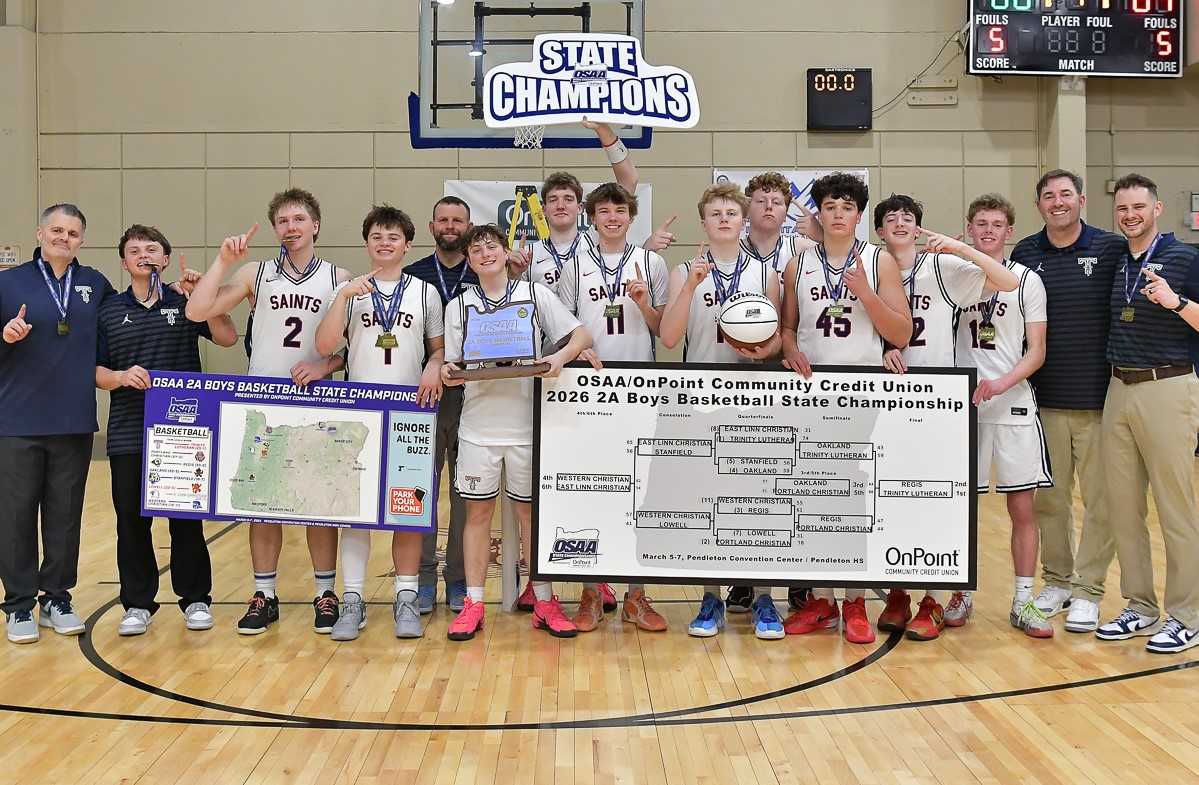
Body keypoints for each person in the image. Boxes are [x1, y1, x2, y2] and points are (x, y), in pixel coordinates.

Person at [185, 188, 351, 635]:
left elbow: (350, 350)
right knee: (263, 507)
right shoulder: (257, 273)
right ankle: (265, 593)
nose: (291, 227)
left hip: (317, 403)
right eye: (283, 221)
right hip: (264, 405)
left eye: (299, 219)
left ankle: (324, 591)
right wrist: (222, 261)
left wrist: (324, 365)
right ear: (275, 229)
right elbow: (196, 308)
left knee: (319, 505)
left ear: (315, 225)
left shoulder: (339, 277)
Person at [876, 194, 1018, 640]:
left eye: (909, 217)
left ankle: (935, 598)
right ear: (878, 229)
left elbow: (1007, 281)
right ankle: (897, 592)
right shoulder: (870, 267)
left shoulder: (939, 267)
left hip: (939, 401)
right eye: (891, 218)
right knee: (890, 501)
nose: (900, 223)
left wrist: (959, 248)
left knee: (939, 504)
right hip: (886, 400)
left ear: (919, 227)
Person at [440, 224, 593, 641]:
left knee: (529, 515)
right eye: (476, 249)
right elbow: (453, 364)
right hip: (479, 425)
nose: (485, 253)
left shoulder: (535, 295)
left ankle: (543, 597)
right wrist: (447, 372)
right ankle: (474, 602)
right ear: (469, 261)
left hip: (527, 424)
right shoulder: (459, 306)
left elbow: (581, 334)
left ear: (507, 253)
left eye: (492, 246)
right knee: (478, 515)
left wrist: (558, 358)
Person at [779, 172, 913, 645]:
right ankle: (820, 599)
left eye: (847, 207)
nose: (838, 214)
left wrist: (864, 293)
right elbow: (789, 327)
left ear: (859, 214)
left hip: (862, 393)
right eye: (830, 206)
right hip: (812, 392)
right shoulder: (799, 263)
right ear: (818, 212)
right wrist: (788, 347)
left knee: (852, 498)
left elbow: (901, 333)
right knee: (813, 496)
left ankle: (855, 598)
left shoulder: (880, 261)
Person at [94, 224, 238, 635]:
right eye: (134, 249)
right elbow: (97, 371)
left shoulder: (185, 302)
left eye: (152, 248)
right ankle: (138, 604)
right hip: (128, 431)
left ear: (166, 258)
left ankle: (194, 599)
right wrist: (121, 377)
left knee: (185, 519)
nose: (144, 254)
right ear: (124, 262)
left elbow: (227, 338)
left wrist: (207, 301)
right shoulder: (107, 310)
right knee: (131, 522)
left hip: (184, 432)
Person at [659, 183, 784, 640]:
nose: (725, 219)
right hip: (700, 396)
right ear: (704, 222)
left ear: (744, 219)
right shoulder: (683, 272)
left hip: (752, 395)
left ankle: (764, 595)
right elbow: (670, 339)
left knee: (759, 501)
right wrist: (690, 287)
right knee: (706, 502)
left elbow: (777, 342)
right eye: (716, 213)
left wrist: (760, 349)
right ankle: (710, 594)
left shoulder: (765, 274)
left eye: (732, 211)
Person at [315, 205, 445, 640]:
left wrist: (434, 364)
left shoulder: (425, 292)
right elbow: (326, 344)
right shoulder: (351, 291)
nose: (384, 242)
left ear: (408, 244)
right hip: (359, 414)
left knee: (407, 510)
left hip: (410, 413)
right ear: (367, 243)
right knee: (355, 512)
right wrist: (342, 298)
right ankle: (352, 599)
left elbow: (439, 349)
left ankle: (406, 596)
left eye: (393, 236)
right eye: (376, 236)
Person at [1010, 170, 1127, 628]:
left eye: (1065, 195)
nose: (1057, 203)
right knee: (1050, 501)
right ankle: (1057, 581)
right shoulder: (1025, 253)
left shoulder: (1110, 248)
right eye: (1048, 196)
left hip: (1101, 401)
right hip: (1044, 402)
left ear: (1081, 199)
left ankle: (1089, 590)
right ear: (1038, 205)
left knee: (1102, 501)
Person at [555, 182, 669, 633]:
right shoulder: (575, 264)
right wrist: (576, 350)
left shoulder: (652, 263)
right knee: (591, 492)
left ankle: (636, 597)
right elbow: (561, 327)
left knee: (640, 495)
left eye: (619, 210)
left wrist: (644, 304)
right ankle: (589, 594)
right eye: (603, 211)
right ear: (592, 217)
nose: (612, 218)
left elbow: (665, 330)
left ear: (631, 214)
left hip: (638, 387)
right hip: (587, 389)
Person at [0, 204, 114, 643]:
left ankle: (57, 598)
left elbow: (121, 327)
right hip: (16, 421)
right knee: (15, 516)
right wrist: (5, 337)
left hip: (72, 421)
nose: (63, 238)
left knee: (64, 516)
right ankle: (18, 604)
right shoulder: (9, 283)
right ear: (39, 232)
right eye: (56, 230)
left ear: (82, 240)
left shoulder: (95, 285)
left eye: (72, 232)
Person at [1095, 173, 1199, 653]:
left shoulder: (1186, 258)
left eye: (1138, 206)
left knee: (1175, 507)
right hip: (1120, 387)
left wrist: (1176, 303)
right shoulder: (1119, 261)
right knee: (1123, 507)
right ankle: (1139, 606)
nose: (1129, 215)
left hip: (1168, 386)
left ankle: (1187, 615)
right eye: (1121, 208)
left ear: (1157, 209)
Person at [955, 194, 1052, 637]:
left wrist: (1002, 382)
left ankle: (1023, 599)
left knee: (1021, 507)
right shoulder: (952, 275)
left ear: (1009, 231)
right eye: (981, 224)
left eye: (997, 224)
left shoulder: (1028, 280)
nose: (989, 231)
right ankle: (962, 593)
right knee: (960, 508)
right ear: (969, 229)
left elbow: (1037, 351)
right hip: (961, 406)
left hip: (1011, 402)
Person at [726, 171, 819, 615]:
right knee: (742, 483)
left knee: (791, 482)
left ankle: (799, 582)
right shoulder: (725, 251)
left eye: (777, 201)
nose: (768, 207)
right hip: (734, 374)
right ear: (748, 207)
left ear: (786, 210)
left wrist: (780, 345)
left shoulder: (801, 252)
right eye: (761, 199)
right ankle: (743, 579)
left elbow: (796, 318)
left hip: (786, 372)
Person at [402, 195, 476, 614]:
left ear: (468, 226)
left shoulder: (484, 274)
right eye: (443, 220)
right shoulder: (413, 277)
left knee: (466, 495)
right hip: (423, 396)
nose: (450, 226)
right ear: (431, 227)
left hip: (472, 397)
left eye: (458, 220)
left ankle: (459, 579)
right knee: (420, 490)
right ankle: (424, 576)